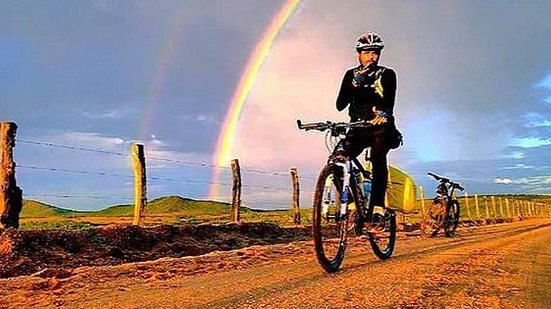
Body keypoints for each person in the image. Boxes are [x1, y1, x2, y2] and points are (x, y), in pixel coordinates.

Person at [334, 31, 398, 227]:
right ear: (358, 53)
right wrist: (354, 85)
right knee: (337, 161)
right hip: (357, 127)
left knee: (378, 157)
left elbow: (389, 103)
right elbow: (340, 105)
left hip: (380, 127)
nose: (372, 56)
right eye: (368, 52)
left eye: (376, 52)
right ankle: (353, 205)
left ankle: (378, 207)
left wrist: (383, 115)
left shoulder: (387, 74)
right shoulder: (350, 75)